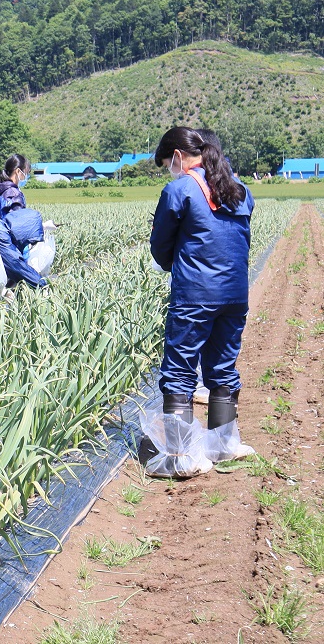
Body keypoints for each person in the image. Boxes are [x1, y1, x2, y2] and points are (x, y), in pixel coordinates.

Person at [143, 126, 255, 477]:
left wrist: (174, 263)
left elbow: (161, 244)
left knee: (179, 370)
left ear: (178, 156)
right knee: (222, 366)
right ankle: (224, 445)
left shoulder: (180, 189)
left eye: (167, 163)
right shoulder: (239, 189)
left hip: (196, 295)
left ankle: (181, 457)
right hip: (235, 293)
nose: (169, 170)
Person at [0, 154, 31, 219]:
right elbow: (19, 222)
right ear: (18, 171)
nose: (26, 176)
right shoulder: (14, 194)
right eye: (26, 173)